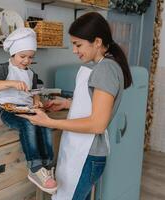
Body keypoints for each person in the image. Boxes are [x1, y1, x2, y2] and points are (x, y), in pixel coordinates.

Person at [19, 12, 132, 200]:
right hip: (87, 154)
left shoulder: (105, 69)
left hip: (86, 156)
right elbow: (97, 104)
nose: (74, 50)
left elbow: (97, 124)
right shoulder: (107, 65)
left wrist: (50, 123)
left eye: (78, 44)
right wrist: (67, 103)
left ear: (97, 42)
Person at [0, 27, 57, 194]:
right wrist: (11, 83)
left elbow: (35, 94)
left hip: (27, 109)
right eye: (22, 56)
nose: (26, 61)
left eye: (30, 57)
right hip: (9, 110)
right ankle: (35, 167)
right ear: (13, 54)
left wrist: (37, 103)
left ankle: (47, 165)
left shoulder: (32, 74)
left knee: (45, 124)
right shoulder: (5, 69)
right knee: (28, 125)